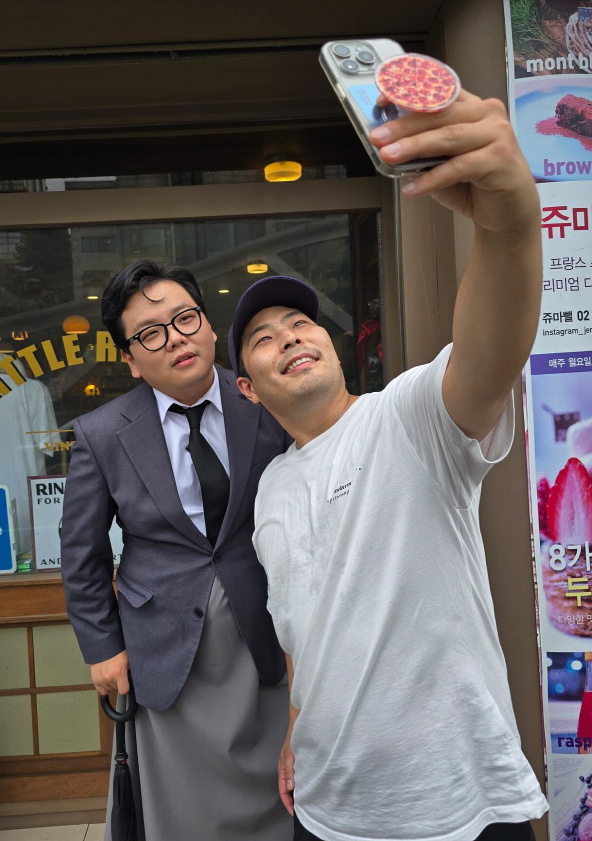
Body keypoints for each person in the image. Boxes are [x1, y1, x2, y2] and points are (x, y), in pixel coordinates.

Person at [227, 89, 549, 841]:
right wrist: (296, 726)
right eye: (264, 337)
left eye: (301, 321)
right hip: (328, 809)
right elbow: (307, 631)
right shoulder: (270, 488)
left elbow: (489, 350)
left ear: (331, 345)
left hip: (460, 806)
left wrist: (507, 225)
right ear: (248, 387)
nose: (291, 336)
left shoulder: (407, 418)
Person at [60, 260, 293, 841]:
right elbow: (82, 554)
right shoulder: (102, 433)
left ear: (210, 327)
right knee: (184, 809)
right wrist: (103, 647)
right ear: (132, 360)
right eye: (150, 333)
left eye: (184, 318)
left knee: (282, 787)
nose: (176, 338)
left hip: (267, 627)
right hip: (162, 643)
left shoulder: (265, 399)